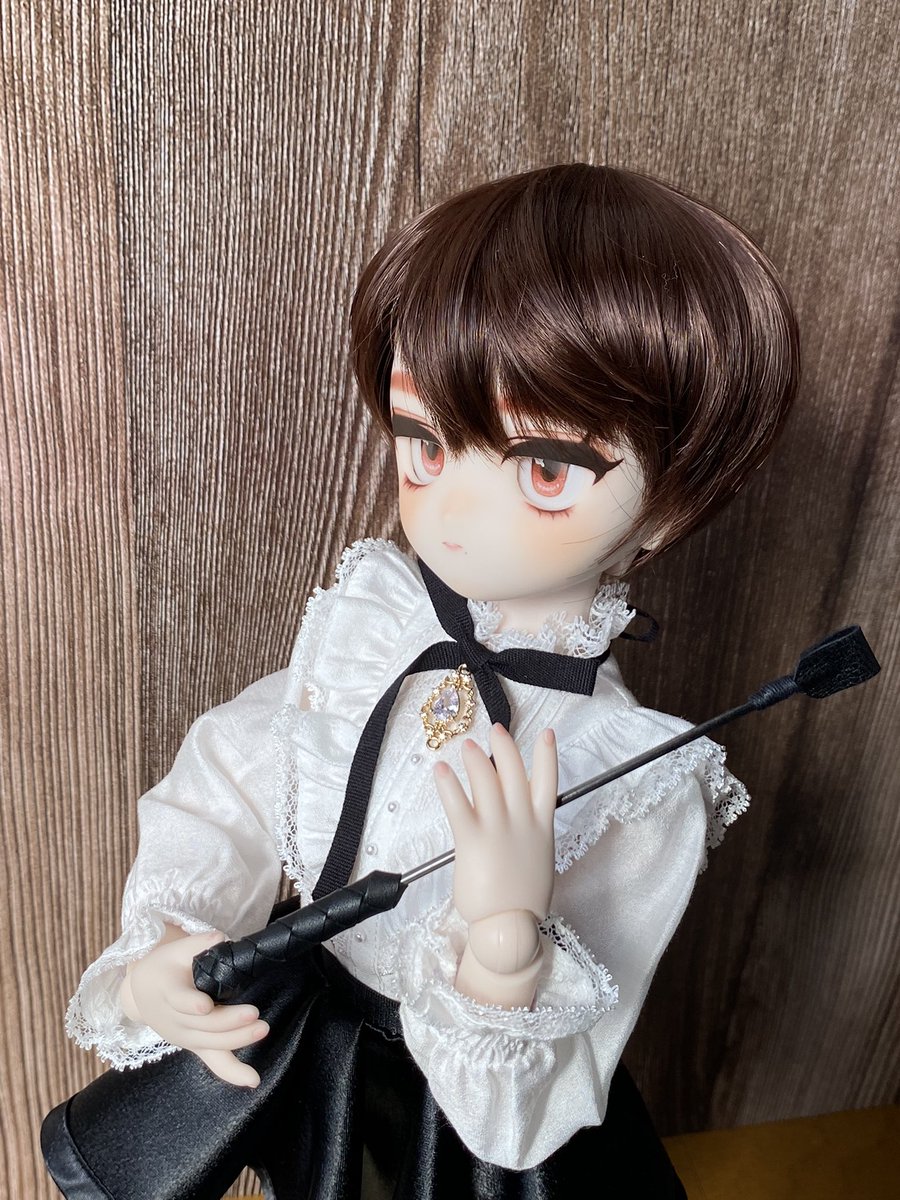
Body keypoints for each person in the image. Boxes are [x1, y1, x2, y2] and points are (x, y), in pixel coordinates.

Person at [43, 163, 800, 1199]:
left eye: (543, 470)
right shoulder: (379, 629)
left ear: (668, 506)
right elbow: (237, 772)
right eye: (426, 442)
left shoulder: (630, 774)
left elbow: (542, 1087)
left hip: (465, 1127)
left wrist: (505, 946)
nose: (451, 511)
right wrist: (173, 942)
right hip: (311, 1037)